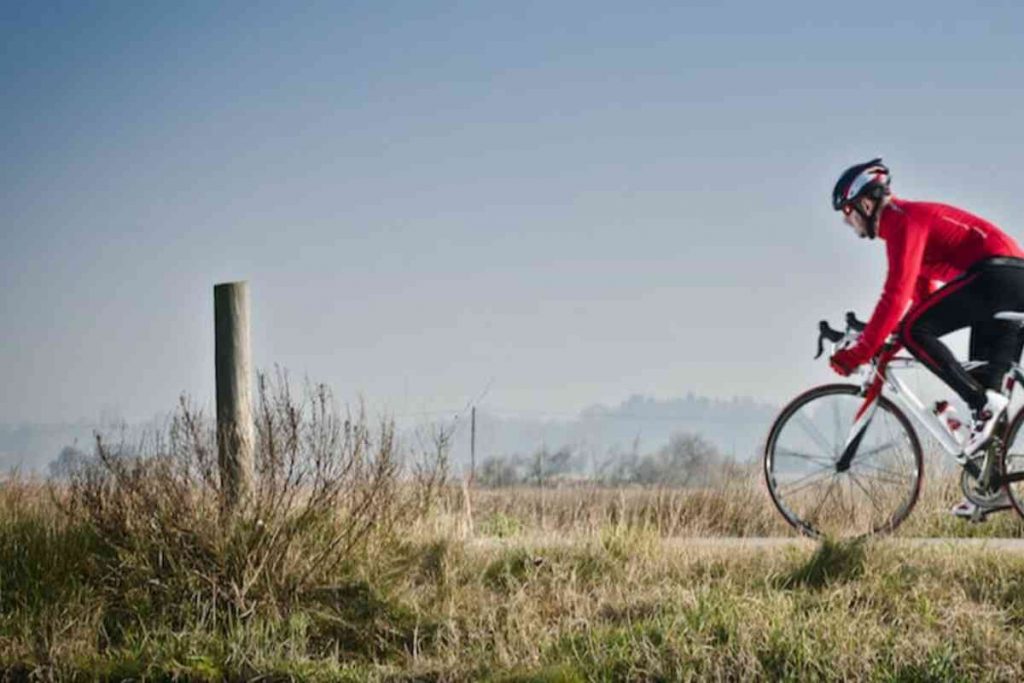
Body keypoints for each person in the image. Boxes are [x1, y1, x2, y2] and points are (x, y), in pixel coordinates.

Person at [828, 158, 1024, 519]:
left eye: (847, 211)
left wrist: (860, 352)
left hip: (997, 276)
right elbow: (922, 298)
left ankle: (982, 405)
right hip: (1008, 280)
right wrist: (887, 340)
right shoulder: (903, 226)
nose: (846, 221)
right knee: (986, 398)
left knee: (915, 334)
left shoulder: (901, 219)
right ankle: (993, 488)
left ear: (866, 204)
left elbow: (895, 296)